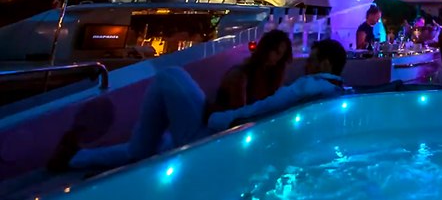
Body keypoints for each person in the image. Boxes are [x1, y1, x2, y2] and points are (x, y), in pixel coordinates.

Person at [50, 40, 349, 171]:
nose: (306, 63)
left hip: (218, 141)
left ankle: (79, 158)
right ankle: (78, 158)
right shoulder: (337, 93)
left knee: (170, 75)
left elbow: (259, 110)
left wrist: (220, 118)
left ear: (324, 63)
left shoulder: (309, 86)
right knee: (159, 141)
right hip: (238, 143)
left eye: (312, 58)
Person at [211, 29, 292, 113]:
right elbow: (240, 114)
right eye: (277, 52)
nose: (278, 59)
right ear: (267, 48)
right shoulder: (240, 76)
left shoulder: (270, 74)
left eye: (281, 56)